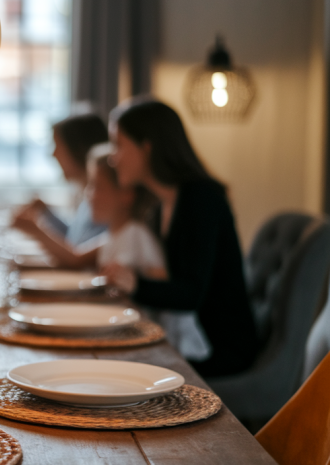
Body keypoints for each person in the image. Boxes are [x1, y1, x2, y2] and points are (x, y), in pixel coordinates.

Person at [102, 97, 259, 377]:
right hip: (187, 333)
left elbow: (192, 294)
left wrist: (136, 284)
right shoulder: (160, 204)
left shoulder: (202, 199)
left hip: (218, 346)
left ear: (146, 147)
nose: (113, 157)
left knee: (114, 365)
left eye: (118, 145)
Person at [14, 144, 164, 276]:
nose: (89, 194)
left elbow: (75, 260)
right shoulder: (114, 236)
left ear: (126, 195)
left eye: (97, 187)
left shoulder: (134, 235)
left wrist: (36, 229)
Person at [15, 114, 109, 247]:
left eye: (58, 146)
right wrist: (46, 211)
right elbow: (73, 236)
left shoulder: (101, 199)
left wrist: (36, 230)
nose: (53, 154)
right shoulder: (87, 193)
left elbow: (78, 251)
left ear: (77, 149)